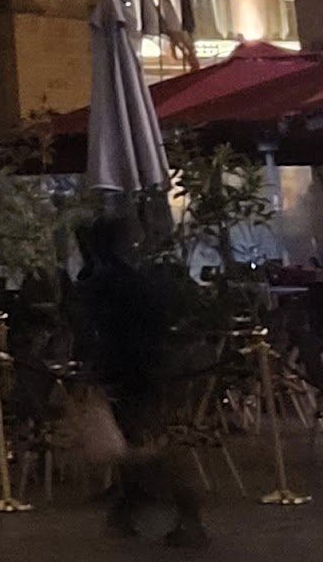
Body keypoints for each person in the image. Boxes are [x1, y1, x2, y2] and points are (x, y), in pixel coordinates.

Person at [74, 216, 204, 547]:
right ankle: (134, 506)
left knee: (145, 445)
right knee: (137, 442)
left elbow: (99, 326)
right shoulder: (133, 279)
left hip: (133, 372)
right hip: (141, 370)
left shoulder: (108, 283)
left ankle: (185, 513)